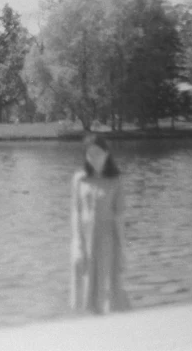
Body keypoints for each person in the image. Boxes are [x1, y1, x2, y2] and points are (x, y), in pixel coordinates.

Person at [70, 134, 130, 314]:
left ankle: (118, 330)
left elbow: (119, 217)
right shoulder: (80, 178)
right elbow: (76, 212)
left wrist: (123, 249)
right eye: (89, 154)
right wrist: (77, 244)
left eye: (97, 153)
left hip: (107, 240)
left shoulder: (116, 180)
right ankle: (91, 327)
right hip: (85, 238)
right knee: (86, 288)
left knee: (110, 288)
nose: (93, 158)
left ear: (106, 153)